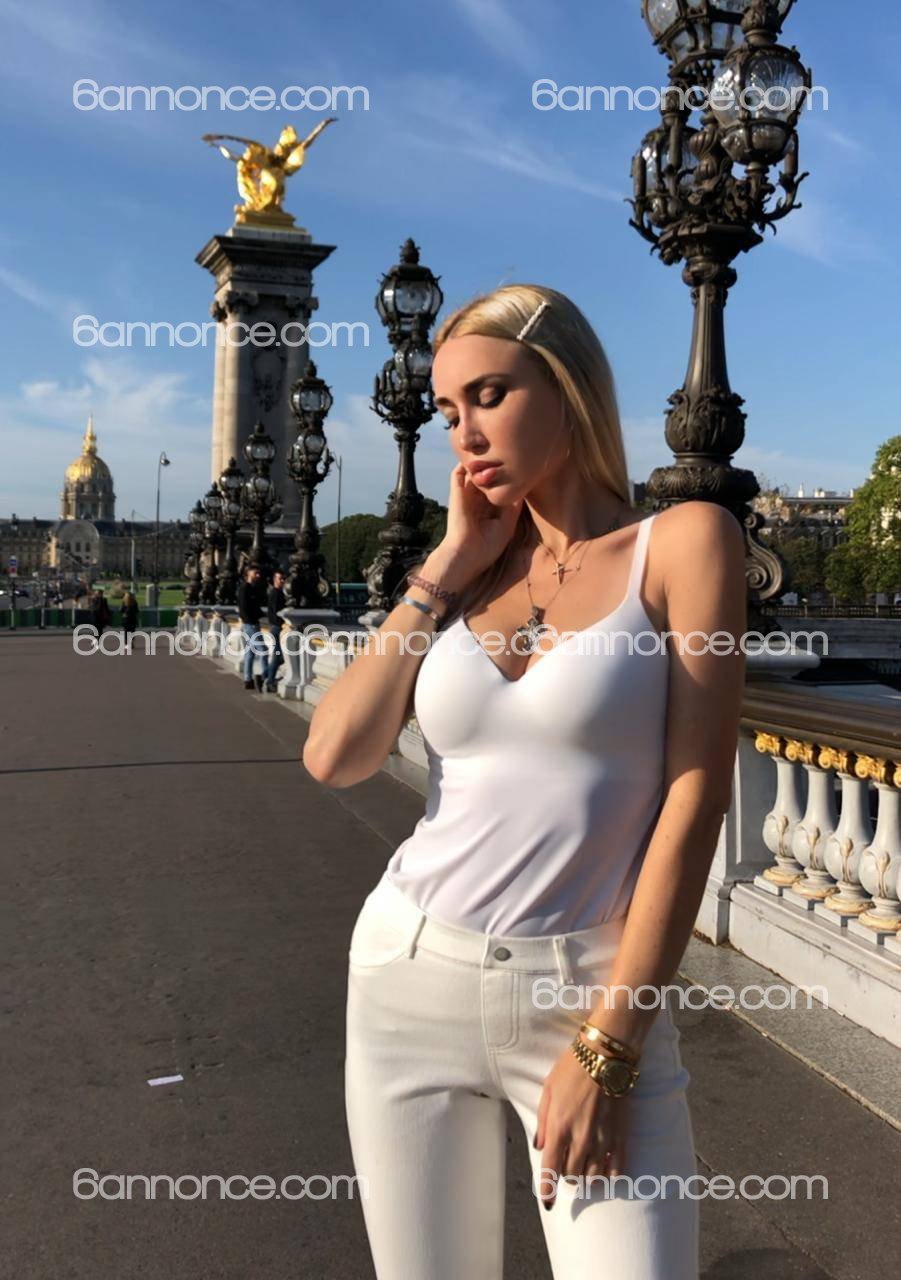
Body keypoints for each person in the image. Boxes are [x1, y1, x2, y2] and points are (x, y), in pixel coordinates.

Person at [302, 285, 748, 1280]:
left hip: (587, 994)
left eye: (489, 395)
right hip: (407, 971)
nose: (464, 433)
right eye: (447, 411)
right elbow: (335, 755)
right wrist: (449, 558)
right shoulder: (470, 572)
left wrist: (611, 1044)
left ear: (568, 387)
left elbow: (695, 798)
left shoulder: (681, 543)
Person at [237, 564, 266, 691]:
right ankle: (264, 677)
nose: (258, 575)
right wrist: (251, 621)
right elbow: (244, 608)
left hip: (252, 623)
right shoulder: (245, 589)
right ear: (248, 573)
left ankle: (248, 680)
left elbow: (256, 607)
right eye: (256, 573)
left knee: (250, 653)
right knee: (263, 650)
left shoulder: (252, 588)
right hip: (250, 624)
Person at [264, 568, 287, 693]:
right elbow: (275, 613)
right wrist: (281, 623)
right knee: (278, 656)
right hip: (276, 629)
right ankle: (269, 682)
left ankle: (263, 676)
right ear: (274, 580)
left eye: (283, 579)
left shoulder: (277, 592)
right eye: (280, 579)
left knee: (279, 656)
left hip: (275, 628)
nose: (282, 581)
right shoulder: (276, 593)